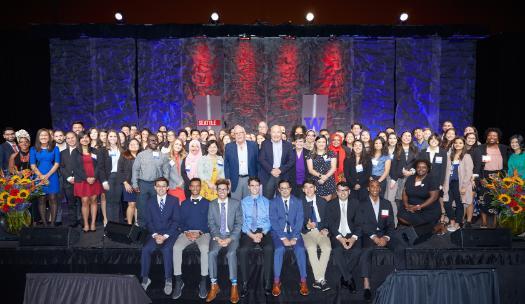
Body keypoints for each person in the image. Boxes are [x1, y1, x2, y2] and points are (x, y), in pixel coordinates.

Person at [355, 180, 396, 302]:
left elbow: (390, 224)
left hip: (384, 235)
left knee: (399, 248)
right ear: (368, 188)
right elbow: (361, 223)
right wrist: (374, 237)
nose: (375, 188)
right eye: (372, 186)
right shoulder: (361, 204)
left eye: (377, 186)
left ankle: (394, 282)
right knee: (366, 252)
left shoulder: (387, 204)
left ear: (380, 189)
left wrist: (386, 238)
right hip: (369, 235)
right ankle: (366, 285)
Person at [140, 177, 181, 296]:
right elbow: (148, 221)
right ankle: (145, 278)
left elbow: (176, 221)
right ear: (155, 188)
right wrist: (155, 235)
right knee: (146, 249)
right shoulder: (150, 201)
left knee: (167, 249)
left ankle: (168, 279)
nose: (161, 188)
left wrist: (165, 236)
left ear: (167, 188)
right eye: (159, 186)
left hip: (170, 233)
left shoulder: (174, 200)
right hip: (155, 233)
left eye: (164, 186)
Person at [269, 179, 309, 297]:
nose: (285, 190)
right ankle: (276, 282)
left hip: (294, 233)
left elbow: (300, 221)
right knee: (279, 250)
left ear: (290, 189)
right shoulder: (274, 202)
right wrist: (283, 237)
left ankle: (303, 280)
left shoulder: (297, 202)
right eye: (282, 188)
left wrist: (295, 238)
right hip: (279, 233)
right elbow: (273, 221)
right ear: (279, 190)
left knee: (301, 249)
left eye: (287, 188)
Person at [172, 178, 210, 300]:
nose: (195, 188)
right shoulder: (184, 203)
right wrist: (186, 232)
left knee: (204, 248)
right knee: (176, 248)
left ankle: (203, 281)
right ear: (189, 187)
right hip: (187, 233)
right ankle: (178, 281)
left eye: (197, 186)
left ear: (200, 187)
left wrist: (200, 232)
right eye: (192, 186)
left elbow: (210, 222)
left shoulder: (208, 203)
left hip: (202, 233)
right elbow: (180, 222)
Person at [206, 179, 243, 304]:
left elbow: (239, 223)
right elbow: (211, 223)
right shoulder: (212, 204)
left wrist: (230, 238)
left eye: (224, 189)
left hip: (231, 236)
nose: (222, 191)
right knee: (211, 253)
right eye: (219, 189)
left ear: (228, 191)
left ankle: (234, 286)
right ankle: (214, 285)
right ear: (216, 191)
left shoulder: (236, 203)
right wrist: (217, 237)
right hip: (217, 236)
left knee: (231, 254)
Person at [238, 177, 273, 297]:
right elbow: (242, 222)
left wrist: (262, 233)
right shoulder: (243, 202)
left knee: (269, 248)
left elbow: (269, 220)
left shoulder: (267, 201)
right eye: (252, 185)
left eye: (257, 185)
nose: (254, 188)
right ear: (248, 187)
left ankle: (268, 282)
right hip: (249, 231)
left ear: (260, 186)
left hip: (263, 230)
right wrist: (252, 235)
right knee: (242, 250)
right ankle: (244, 283)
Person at [472, 128, 510, 228]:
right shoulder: (480, 149)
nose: (492, 137)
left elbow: (507, 165)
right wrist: (479, 179)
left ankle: (495, 222)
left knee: (498, 200)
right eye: (490, 135)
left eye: (494, 135)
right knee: (483, 199)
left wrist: (504, 178)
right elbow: (476, 166)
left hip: (499, 177)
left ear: (498, 138)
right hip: (484, 176)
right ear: (486, 137)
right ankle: (484, 222)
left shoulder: (504, 148)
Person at [326, 182, 361, 293]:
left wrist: (353, 238)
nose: (343, 192)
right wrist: (340, 238)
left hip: (352, 234)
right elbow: (330, 224)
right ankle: (349, 279)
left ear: (349, 192)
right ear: (337, 192)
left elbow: (360, 223)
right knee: (337, 251)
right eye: (340, 190)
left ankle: (344, 278)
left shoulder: (356, 203)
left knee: (357, 251)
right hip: (337, 235)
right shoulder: (330, 204)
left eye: (345, 190)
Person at [397, 159, 441, 244]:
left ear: (428, 169)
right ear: (416, 168)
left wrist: (418, 207)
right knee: (400, 216)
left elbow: (434, 197)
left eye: (424, 167)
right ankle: (423, 228)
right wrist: (406, 205)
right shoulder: (410, 178)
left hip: (428, 209)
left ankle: (433, 227)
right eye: (419, 167)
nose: (421, 169)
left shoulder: (432, 179)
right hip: (411, 206)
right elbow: (404, 192)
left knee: (420, 236)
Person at [132, 134, 170, 226]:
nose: (154, 142)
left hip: (157, 186)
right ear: (148, 141)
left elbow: (166, 172)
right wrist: (135, 184)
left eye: (156, 140)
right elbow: (135, 169)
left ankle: (156, 229)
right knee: (142, 209)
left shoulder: (163, 156)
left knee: (156, 208)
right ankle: (142, 230)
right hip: (143, 185)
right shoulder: (141, 155)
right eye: (152, 140)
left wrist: (164, 186)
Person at [301, 179, 331, 291]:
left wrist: (325, 228)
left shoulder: (322, 202)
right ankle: (321, 279)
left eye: (311, 187)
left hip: (320, 231)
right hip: (307, 232)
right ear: (303, 190)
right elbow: (296, 221)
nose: (309, 190)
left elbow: (328, 219)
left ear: (315, 188)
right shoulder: (299, 202)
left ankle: (318, 280)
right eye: (306, 187)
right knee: (311, 248)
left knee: (327, 248)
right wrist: (307, 226)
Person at [72, 132, 103, 232]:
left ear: (89, 139)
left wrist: (94, 177)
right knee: (84, 201)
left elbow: (99, 165)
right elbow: (75, 168)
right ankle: (86, 223)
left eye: (86, 137)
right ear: (79, 140)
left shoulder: (95, 151)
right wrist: (87, 178)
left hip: (94, 179)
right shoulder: (75, 152)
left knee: (94, 201)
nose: (85, 139)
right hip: (82, 180)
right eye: (82, 138)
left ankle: (93, 223)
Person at [30, 129, 61, 227]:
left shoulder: (55, 148)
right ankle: (44, 223)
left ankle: (52, 224)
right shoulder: (33, 149)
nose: (43, 137)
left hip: (52, 175)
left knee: (53, 198)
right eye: (41, 135)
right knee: (41, 199)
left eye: (45, 135)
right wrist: (40, 176)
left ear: (49, 137)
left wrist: (47, 176)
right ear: (38, 137)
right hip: (39, 176)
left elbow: (57, 164)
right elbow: (32, 165)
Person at [443, 137, 474, 231]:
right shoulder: (449, 156)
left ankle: (457, 223)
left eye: (460, 143)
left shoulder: (466, 156)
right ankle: (452, 221)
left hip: (460, 184)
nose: (458, 144)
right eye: (456, 143)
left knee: (459, 204)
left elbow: (469, 172)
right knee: (447, 203)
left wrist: (464, 187)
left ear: (464, 144)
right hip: (449, 183)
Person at [417, 134, 448, 223]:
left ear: (439, 141)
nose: (433, 141)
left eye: (436, 139)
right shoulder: (423, 152)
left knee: (437, 200)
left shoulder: (442, 152)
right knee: (425, 199)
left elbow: (443, 168)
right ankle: (426, 219)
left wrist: (441, 183)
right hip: (424, 180)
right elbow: (419, 167)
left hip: (437, 181)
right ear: (428, 140)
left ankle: (439, 217)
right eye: (431, 139)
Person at [259, 125, 295, 199]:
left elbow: (291, 160)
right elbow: (262, 159)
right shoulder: (265, 143)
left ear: (281, 133)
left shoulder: (288, 145)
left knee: (282, 199)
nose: (276, 135)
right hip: (269, 175)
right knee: (267, 200)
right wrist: (271, 170)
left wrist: (280, 170)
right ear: (270, 133)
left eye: (278, 132)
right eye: (274, 132)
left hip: (282, 175)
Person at [223, 125, 259, 201]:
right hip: (235, 180)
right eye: (236, 133)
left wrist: (257, 179)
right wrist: (227, 179)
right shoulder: (229, 147)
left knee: (249, 203)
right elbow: (226, 164)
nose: (239, 135)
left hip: (250, 179)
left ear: (245, 133)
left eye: (241, 133)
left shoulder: (253, 145)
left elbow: (257, 163)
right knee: (235, 204)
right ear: (234, 135)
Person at [98, 130, 123, 224]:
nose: (113, 138)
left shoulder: (122, 150)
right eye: (111, 136)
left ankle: (116, 225)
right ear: (107, 138)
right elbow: (100, 167)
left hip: (119, 178)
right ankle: (110, 225)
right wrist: (104, 181)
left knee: (116, 202)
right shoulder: (102, 150)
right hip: (109, 178)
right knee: (109, 202)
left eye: (115, 136)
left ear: (118, 138)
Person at [59, 131, 81, 227]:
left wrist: (77, 177)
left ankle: (82, 220)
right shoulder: (62, 153)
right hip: (68, 182)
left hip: (81, 180)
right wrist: (68, 177)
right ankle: (73, 221)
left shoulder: (82, 151)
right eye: (68, 138)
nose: (71, 140)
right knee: (71, 202)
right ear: (65, 140)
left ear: (76, 138)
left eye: (72, 137)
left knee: (81, 202)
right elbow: (61, 167)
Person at [306, 136, 337, 202]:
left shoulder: (331, 153)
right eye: (319, 142)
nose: (321, 144)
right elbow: (310, 170)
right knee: (318, 203)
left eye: (323, 142)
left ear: (326, 143)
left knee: (328, 203)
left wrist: (325, 177)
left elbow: (333, 168)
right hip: (316, 181)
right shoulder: (310, 154)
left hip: (329, 180)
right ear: (315, 143)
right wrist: (321, 176)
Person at [117, 138, 140, 225]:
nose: (134, 146)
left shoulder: (141, 155)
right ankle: (130, 225)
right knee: (132, 204)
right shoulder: (124, 155)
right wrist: (125, 183)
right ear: (128, 146)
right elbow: (120, 170)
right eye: (132, 144)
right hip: (128, 184)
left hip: (139, 184)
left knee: (138, 205)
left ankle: (137, 223)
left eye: (136, 144)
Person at [167, 138, 187, 202]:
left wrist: (182, 182)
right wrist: (178, 182)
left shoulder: (184, 156)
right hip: (172, 185)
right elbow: (167, 172)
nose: (178, 146)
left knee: (182, 206)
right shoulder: (166, 156)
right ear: (173, 144)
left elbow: (186, 171)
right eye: (176, 144)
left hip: (182, 185)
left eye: (180, 145)